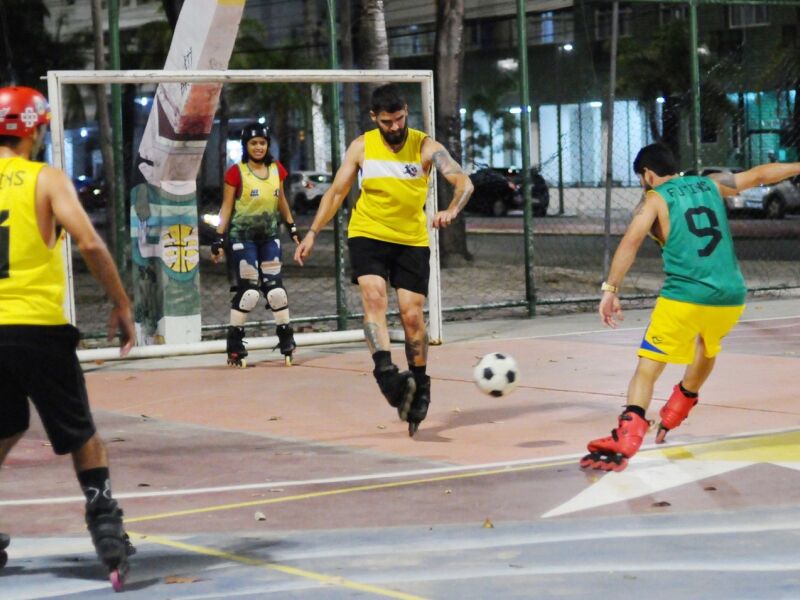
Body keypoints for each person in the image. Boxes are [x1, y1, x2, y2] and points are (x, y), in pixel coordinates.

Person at [581, 142, 800, 472]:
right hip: (731, 295)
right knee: (707, 347)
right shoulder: (711, 183)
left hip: (684, 297)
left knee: (648, 366)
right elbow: (758, 176)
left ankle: (628, 435)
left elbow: (630, 242)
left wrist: (611, 289)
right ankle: (676, 411)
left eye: (642, 178)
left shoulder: (654, 198)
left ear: (648, 174)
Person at [0, 86, 136, 589]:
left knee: (6, 426)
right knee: (82, 435)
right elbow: (89, 241)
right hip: (36, 326)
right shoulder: (45, 178)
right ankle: (106, 529)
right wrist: (120, 303)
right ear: (33, 130)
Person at [294, 84, 474, 436]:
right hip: (368, 233)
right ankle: (386, 375)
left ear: (407, 111)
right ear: (374, 117)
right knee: (374, 298)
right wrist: (313, 231)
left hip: (411, 239)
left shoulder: (426, 147)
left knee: (411, 316)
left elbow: (464, 183)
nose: (395, 127)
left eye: (400, 119)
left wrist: (452, 209)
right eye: (387, 121)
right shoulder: (362, 146)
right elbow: (336, 192)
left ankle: (420, 386)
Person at [212, 122, 301, 367]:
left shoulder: (276, 169)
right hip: (243, 238)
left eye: (262, 142)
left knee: (276, 290)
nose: (258, 147)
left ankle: (286, 338)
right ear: (246, 146)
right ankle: (235, 343)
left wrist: (292, 226)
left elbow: (281, 199)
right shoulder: (236, 172)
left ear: (267, 144)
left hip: (270, 237)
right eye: (253, 143)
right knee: (249, 291)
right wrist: (219, 238)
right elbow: (227, 207)